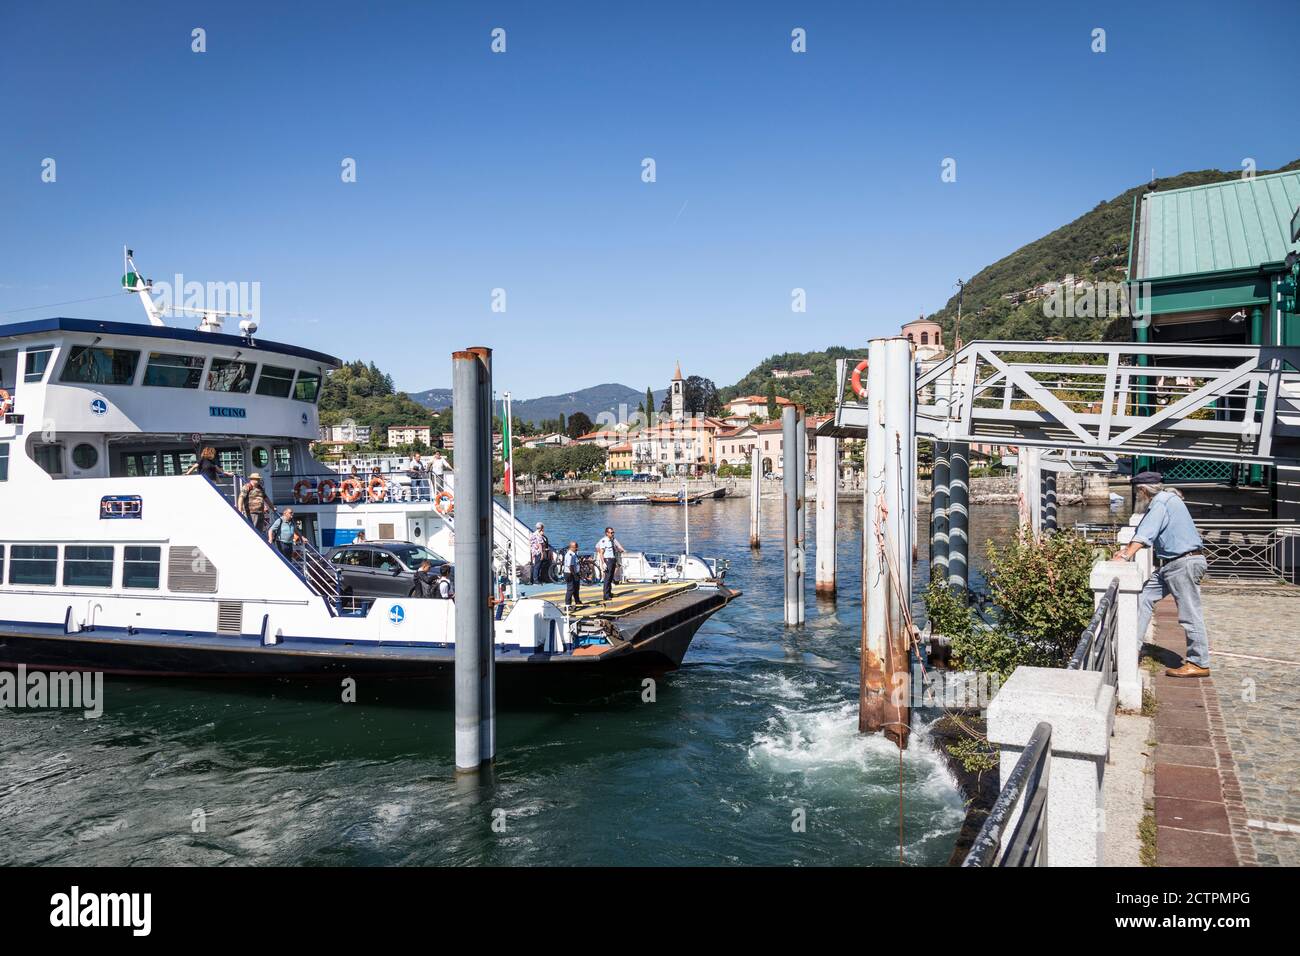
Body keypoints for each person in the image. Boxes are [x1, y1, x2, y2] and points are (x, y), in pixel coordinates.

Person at [1112, 471, 1210, 678]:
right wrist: (1126, 550)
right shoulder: (1167, 499)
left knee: (1189, 614)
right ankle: (1133, 647)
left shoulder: (1161, 502)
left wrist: (1127, 554)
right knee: (1143, 598)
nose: (1138, 496)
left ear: (1143, 490)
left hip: (1182, 563)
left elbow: (1147, 531)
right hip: (1170, 565)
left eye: (1137, 492)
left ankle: (1199, 663)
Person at [596, 526, 625, 601]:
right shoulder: (604, 541)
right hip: (607, 560)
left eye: (613, 532)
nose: (612, 534)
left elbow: (617, 548)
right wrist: (603, 563)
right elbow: (601, 553)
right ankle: (606, 595)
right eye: (611, 532)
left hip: (613, 559)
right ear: (607, 533)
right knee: (607, 578)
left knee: (611, 577)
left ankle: (609, 592)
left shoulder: (612, 540)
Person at [562, 541, 582, 607]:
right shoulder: (569, 555)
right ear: (572, 547)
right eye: (576, 547)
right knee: (570, 589)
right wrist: (574, 575)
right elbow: (570, 566)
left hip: (574, 572)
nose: (577, 549)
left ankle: (577, 601)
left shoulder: (573, 554)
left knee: (576, 588)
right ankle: (567, 605)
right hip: (570, 573)